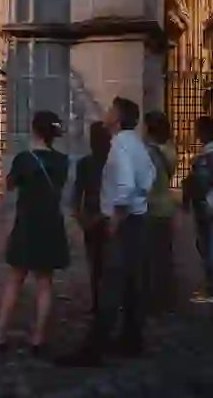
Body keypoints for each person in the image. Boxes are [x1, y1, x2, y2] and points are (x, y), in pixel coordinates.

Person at [57, 97, 156, 368]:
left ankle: (93, 350)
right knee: (132, 284)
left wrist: (116, 219)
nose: (107, 113)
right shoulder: (135, 143)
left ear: (118, 117)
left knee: (110, 286)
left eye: (111, 110)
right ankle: (131, 339)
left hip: (123, 222)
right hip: (137, 220)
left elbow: (124, 186)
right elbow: (148, 178)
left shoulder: (119, 146)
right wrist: (137, 203)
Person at [0, 110, 70, 354]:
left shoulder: (24, 159)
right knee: (45, 282)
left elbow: (9, 185)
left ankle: (0, 333)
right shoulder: (62, 160)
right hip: (52, 223)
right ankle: (38, 337)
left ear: (34, 130)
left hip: (28, 223)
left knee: (15, 279)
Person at [181, 115, 213, 305]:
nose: (195, 132)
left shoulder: (210, 153)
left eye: (198, 129)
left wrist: (195, 182)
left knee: (208, 247)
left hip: (208, 206)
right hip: (210, 205)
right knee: (208, 246)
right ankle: (212, 286)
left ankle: (212, 290)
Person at [72, 121, 112, 313]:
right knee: (109, 263)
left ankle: (99, 302)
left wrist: (80, 218)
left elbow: (77, 193)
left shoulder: (85, 164)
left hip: (93, 217)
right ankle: (107, 301)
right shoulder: (115, 162)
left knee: (96, 264)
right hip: (108, 217)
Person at [142, 110, 178, 316]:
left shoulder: (148, 153)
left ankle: (153, 300)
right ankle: (167, 298)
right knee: (164, 256)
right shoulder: (170, 150)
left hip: (151, 208)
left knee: (150, 257)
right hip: (166, 206)